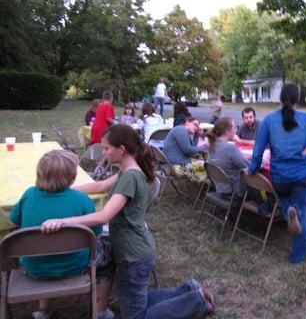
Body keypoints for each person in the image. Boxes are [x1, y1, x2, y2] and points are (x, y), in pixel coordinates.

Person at [40, 125, 214, 318]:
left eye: (106, 149)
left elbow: (103, 216)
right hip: (135, 251)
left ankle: (196, 302)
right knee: (135, 301)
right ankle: (188, 291)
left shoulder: (129, 178)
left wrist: (63, 221)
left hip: (134, 256)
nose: (104, 153)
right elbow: (100, 185)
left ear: (121, 149)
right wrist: (65, 190)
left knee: (134, 315)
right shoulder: (128, 171)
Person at [9, 150, 113, 319]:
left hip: (33, 268)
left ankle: (45, 310)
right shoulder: (82, 200)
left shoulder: (28, 195)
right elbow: (94, 235)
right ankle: (100, 310)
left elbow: (15, 222)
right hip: (74, 267)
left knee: (44, 246)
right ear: (71, 177)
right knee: (107, 253)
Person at [247, 84, 306, 264]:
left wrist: (253, 168)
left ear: (280, 99)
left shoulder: (269, 120)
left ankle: (288, 212)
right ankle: (297, 256)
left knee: (286, 199)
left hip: (280, 176)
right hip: (303, 175)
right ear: (298, 100)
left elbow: (258, 150)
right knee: (302, 211)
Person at [206, 117, 249, 196]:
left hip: (219, 186)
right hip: (234, 189)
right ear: (226, 131)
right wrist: (262, 160)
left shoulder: (212, 145)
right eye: (234, 128)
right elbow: (248, 166)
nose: (236, 131)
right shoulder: (230, 148)